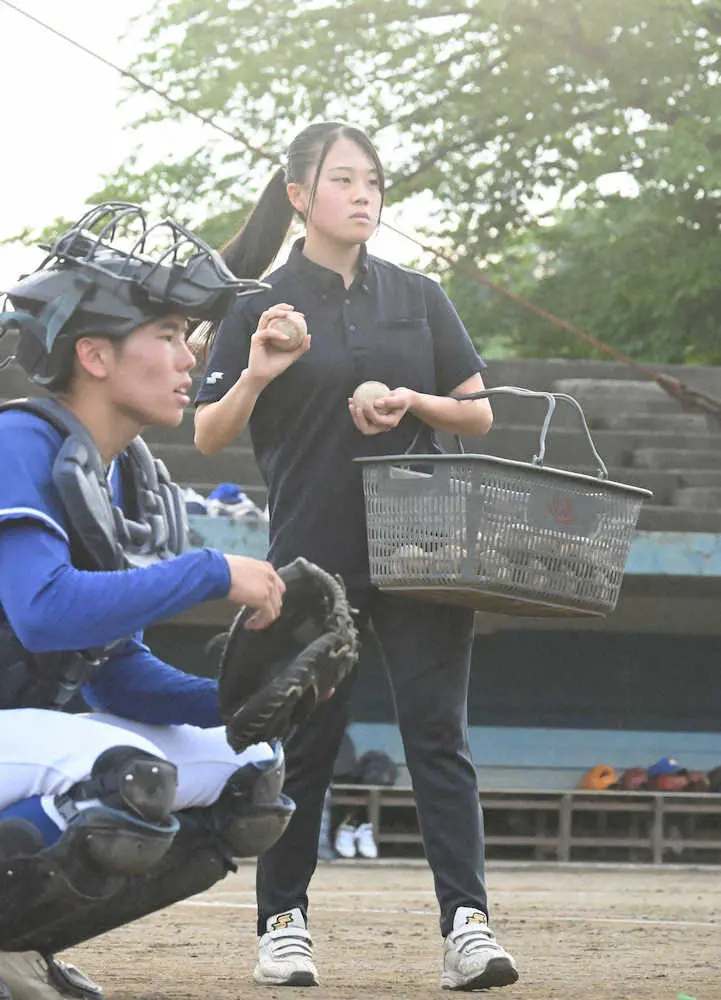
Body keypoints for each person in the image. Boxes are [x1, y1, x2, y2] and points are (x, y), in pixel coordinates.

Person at [194, 122, 519, 991]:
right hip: (312, 554)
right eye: (343, 180)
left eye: (372, 180)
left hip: (425, 544)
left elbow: (478, 413)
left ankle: (468, 927)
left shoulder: (418, 294)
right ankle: (283, 924)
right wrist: (261, 369)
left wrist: (411, 399)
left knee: (438, 740)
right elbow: (208, 429)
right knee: (302, 747)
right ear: (299, 195)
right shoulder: (254, 304)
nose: (364, 194)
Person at [0, 203, 294, 1000]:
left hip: (18, 737)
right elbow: (45, 612)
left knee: (249, 776)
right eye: (165, 335)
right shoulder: (17, 441)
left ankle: (19, 946)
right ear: (93, 354)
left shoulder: (126, 475)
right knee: (122, 773)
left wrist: (244, 700)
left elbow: (114, 675)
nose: (187, 357)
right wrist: (207, 572)